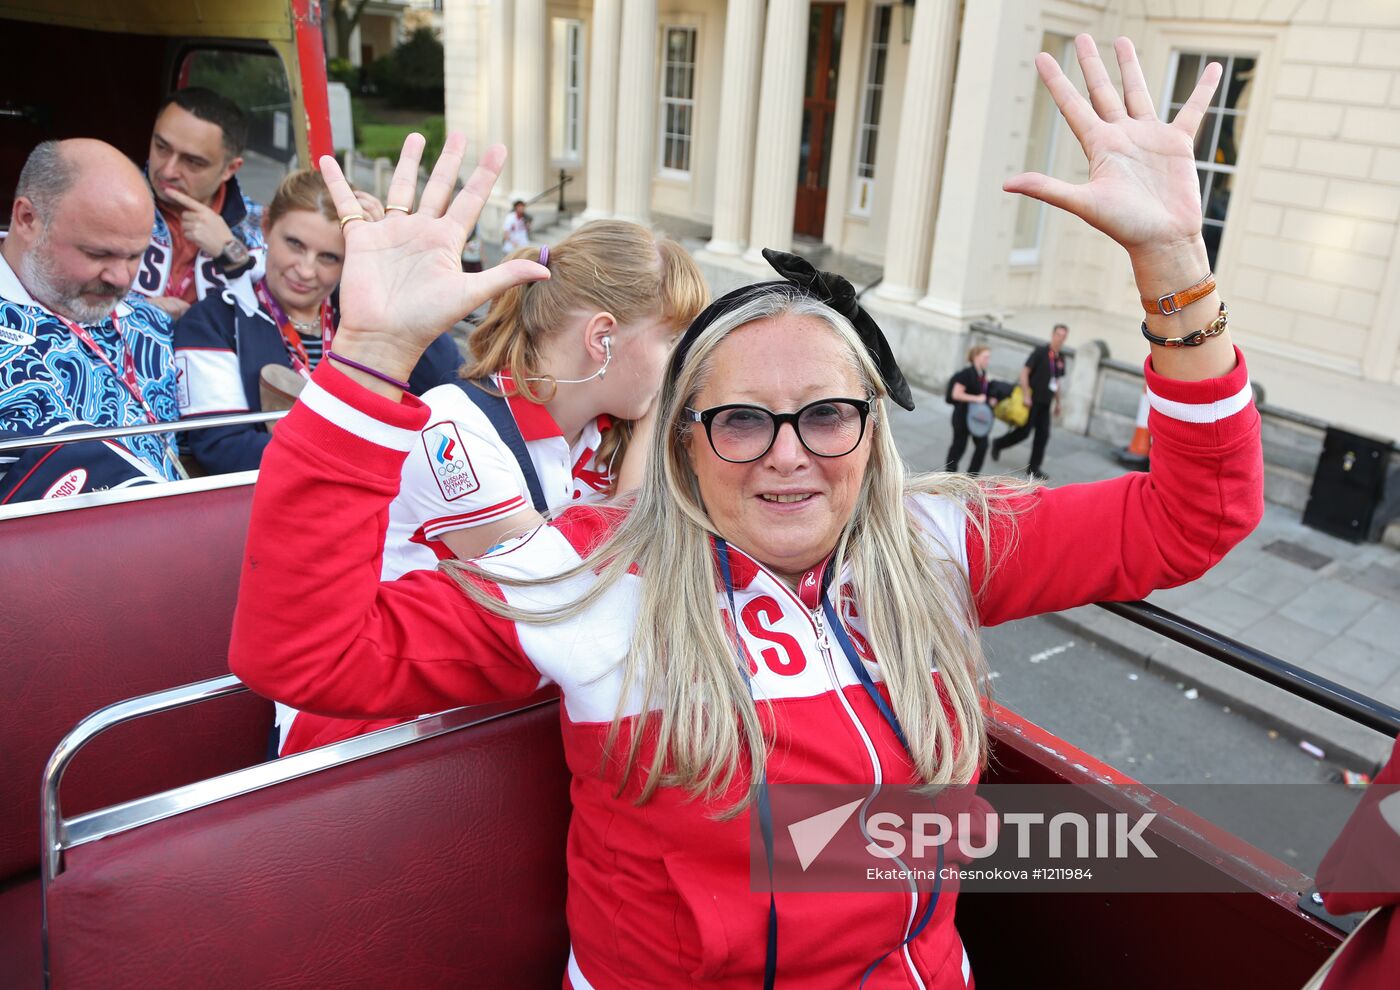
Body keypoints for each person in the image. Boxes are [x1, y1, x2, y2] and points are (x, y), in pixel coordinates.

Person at [232, 37, 1261, 987]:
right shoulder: (591, 574)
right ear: (681, 438)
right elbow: (307, 657)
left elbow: (1194, 513)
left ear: (871, 427)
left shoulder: (935, 544)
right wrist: (367, 362)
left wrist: (1173, 265)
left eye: (824, 416)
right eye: (737, 421)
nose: (786, 459)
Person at [275, 216, 708, 755]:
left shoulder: (597, 438)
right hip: (370, 717)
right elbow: (569, 597)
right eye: (671, 340)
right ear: (603, 339)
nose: (679, 367)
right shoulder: (453, 426)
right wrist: (658, 418)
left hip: (488, 704)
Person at [172, 168, 462, 475]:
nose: (306, 270)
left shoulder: (360, 311)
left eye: (328, 257)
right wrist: (362, 447)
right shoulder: (213, 321)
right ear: (268, 226)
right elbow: (224, 450)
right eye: (295, 244)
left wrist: (392, 279)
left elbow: (447, 382)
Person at [1, 139, 181, 502]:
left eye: (135, 256)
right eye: (98, 253)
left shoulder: (150, 321)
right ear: (27, 219)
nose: (120, 278)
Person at [132, 88, 266, 320]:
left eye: (192, 162)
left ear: (229, 169)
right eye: (161, 147)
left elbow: (278, 327)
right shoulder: (109, 201)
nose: (168, 170)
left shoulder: (261, 228)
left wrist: (229, 252)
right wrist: (137, 313)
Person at [991, 322, 1067, 479]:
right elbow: (1024, 372)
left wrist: (1058, 403)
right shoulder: (1040, 352)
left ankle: (1034, 467)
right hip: (1032, 400)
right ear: (1052, 335)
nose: (1060, 339)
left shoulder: (1061, 359)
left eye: (1063, 336)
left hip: (1046, 403)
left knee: (1043, 435)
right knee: (1024, 432)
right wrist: (1026, 395)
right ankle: (998, 443)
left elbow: (1057, 382)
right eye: (1058, 335)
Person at [944, 345, 995, 474]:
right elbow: (956, 394)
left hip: (975, 417)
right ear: (975, 357)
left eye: (989, 357)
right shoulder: (966, 374)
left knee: (982, 446)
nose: (988, 360)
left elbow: (982, 394)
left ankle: (972, 477)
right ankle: (949, 475)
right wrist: (977, 398)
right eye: (985, 357)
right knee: (959, 446)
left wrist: (989, 400)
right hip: (962, 417)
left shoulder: (982, 374)